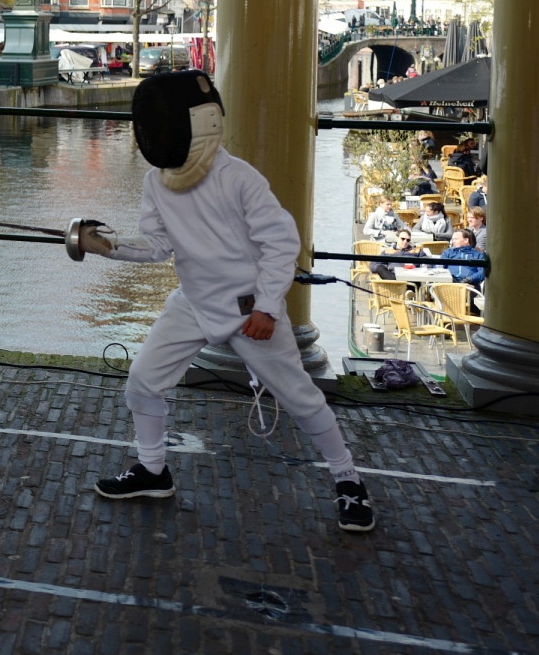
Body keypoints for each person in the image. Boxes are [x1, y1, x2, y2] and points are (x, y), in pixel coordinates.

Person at [78, 71, 374, 533]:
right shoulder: (157, 182)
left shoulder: (239, 178)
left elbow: (282, 243)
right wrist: (108, 244)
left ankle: (348, 479)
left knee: (300, 397)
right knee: (142, 381)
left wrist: (268, 307)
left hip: (248, 307)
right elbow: (157, 246)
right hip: (193, 300)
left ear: (203, 121)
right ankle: (153, 471)